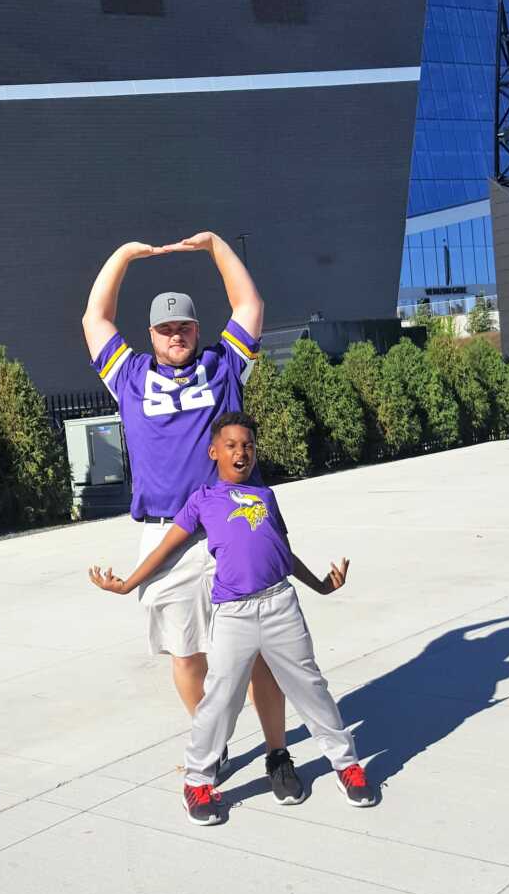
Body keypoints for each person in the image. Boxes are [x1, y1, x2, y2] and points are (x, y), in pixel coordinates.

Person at [82, 233, 296, 797]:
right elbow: (95, 318)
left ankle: (277, 752)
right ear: (150, 335)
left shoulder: (222, 367)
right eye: (165, 329)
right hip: (165, 538)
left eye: (184, 327)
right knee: (187, 653)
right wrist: (125, 254)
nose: (176, 335)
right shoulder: (127, 377)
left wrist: (213, 246)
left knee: (255, 654)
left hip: (228, 533)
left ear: (196, 331)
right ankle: (213, 741)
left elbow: (249, 305)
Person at [88, 410, 378, 824]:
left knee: (310, 687)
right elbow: (166, 548)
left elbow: (282, 553)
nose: (241, 451)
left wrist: (321, 585)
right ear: (214, 452)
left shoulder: (267, 497)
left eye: (248, 445)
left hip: (281, 604)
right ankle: (198, 782)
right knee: (220, 701)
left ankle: (346, 765)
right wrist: (128, 583)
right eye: (231, 445)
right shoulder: (203, 501)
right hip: (234, 615)